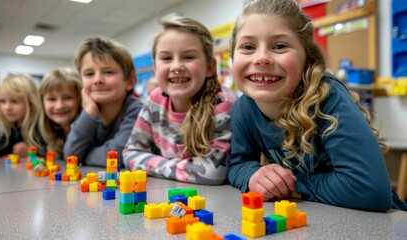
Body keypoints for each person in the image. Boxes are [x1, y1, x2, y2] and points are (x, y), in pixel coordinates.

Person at [227, 0, 407, 211]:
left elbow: (369, 190)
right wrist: (252, 176)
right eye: (248, 47)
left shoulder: (327, 96)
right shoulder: (243, 108)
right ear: (233, 58)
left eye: (280, 46)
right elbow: (237, 165)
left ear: (307, 58)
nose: (262, 58)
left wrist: (289, 185)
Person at [123, 15, 238, 185]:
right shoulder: (155, 100)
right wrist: (184, 168)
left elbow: (213, 171)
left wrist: (152, 164)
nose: (176, 66)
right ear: (155, 68)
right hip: (169, 197)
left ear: (210, 67)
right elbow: (130, 153)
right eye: (166, 58)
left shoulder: (223, 103)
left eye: (188, 57)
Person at [64, 36, 143, 167]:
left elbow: (117, 155)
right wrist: (89, 112)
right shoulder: (89, 112)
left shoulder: (137, 110)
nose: (97, 80)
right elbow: (71, 156)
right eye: (89, 74)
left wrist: (84, 156)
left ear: (129, 82)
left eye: (108, 72)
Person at [0, 75, 42, 158]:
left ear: (31, 103)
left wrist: (31, 151)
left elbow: (51, 153)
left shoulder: (41, 127)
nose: (7, 107)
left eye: (14, 101)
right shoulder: (5, 126)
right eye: (3, 101)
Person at [39, 67, 82, 159]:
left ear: (80, 99)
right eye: (52, 99)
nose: (59, 106)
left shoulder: (91, 131)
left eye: (67, 98)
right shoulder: (49, 135)